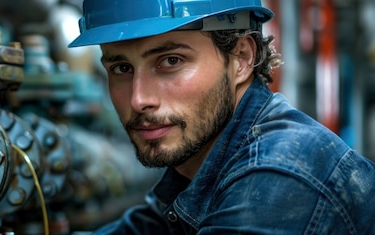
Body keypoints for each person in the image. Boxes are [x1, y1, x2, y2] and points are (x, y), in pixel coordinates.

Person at [68, 0, 375, 234]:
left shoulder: (278, 180)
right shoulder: (199, 169)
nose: (139, 100)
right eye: (121, 68)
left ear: (241, 58)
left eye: (170, 61)